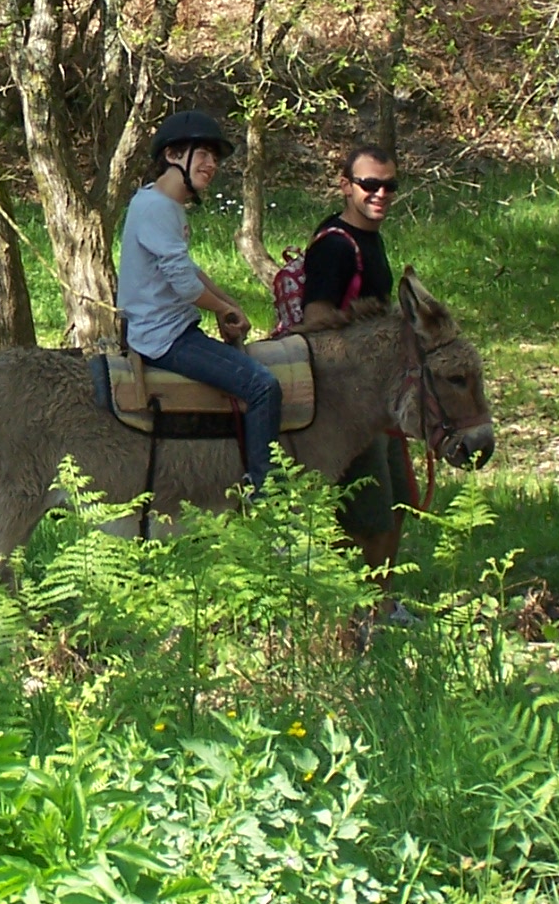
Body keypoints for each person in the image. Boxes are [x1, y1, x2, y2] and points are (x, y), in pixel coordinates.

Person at [117, 110, 282, 493]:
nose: (212, 164)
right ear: (174, 155)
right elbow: (186, 287)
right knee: (263, 387)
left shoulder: (160, 204)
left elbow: (186, 268)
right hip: (163, 338)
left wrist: (230, 303)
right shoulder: (156, 207)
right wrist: (222, 309)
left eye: (215, 157)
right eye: (203, 154)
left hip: (173, 328)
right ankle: (265, 491)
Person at [298, 143, 417, 568]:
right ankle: (358, 613)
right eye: (369, 185)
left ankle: (383, 604)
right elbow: (317, 323)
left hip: (379, 400)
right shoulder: (336, 246)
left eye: (389, 186)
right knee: (368, 516)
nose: (380, 194)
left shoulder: (371, 238)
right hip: (347, 402)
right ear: (346, 186)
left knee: (401, 503)